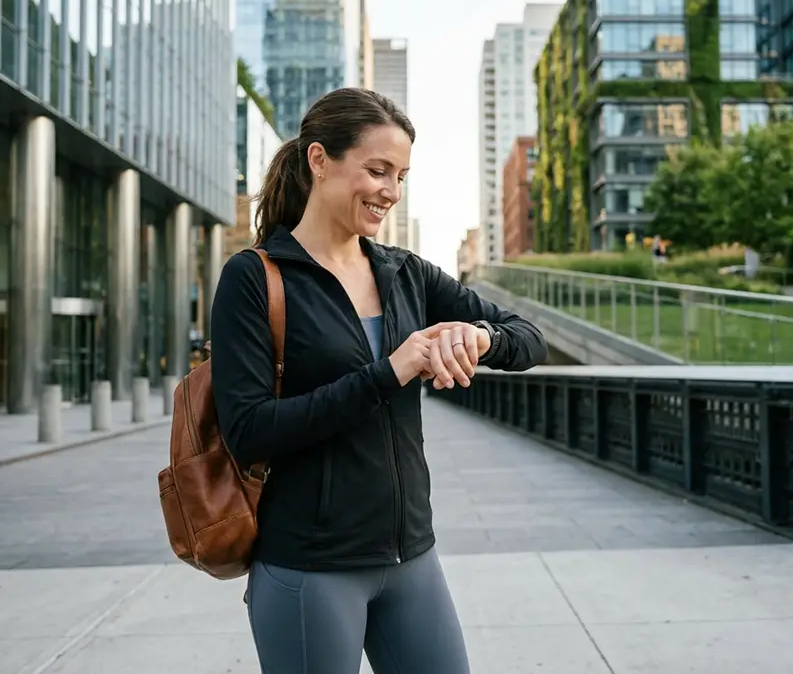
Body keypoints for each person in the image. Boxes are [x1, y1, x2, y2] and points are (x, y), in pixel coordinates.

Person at [209, 87, 548, 674]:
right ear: (320, 160)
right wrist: (389, 372)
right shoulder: (254, 278)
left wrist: (479, 337)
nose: (391, 190)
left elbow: (529, 338)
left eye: (401, 176)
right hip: (310, 566)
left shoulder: (405, 273)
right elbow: (249, 430)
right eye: (377, 170)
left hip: (411, 557)